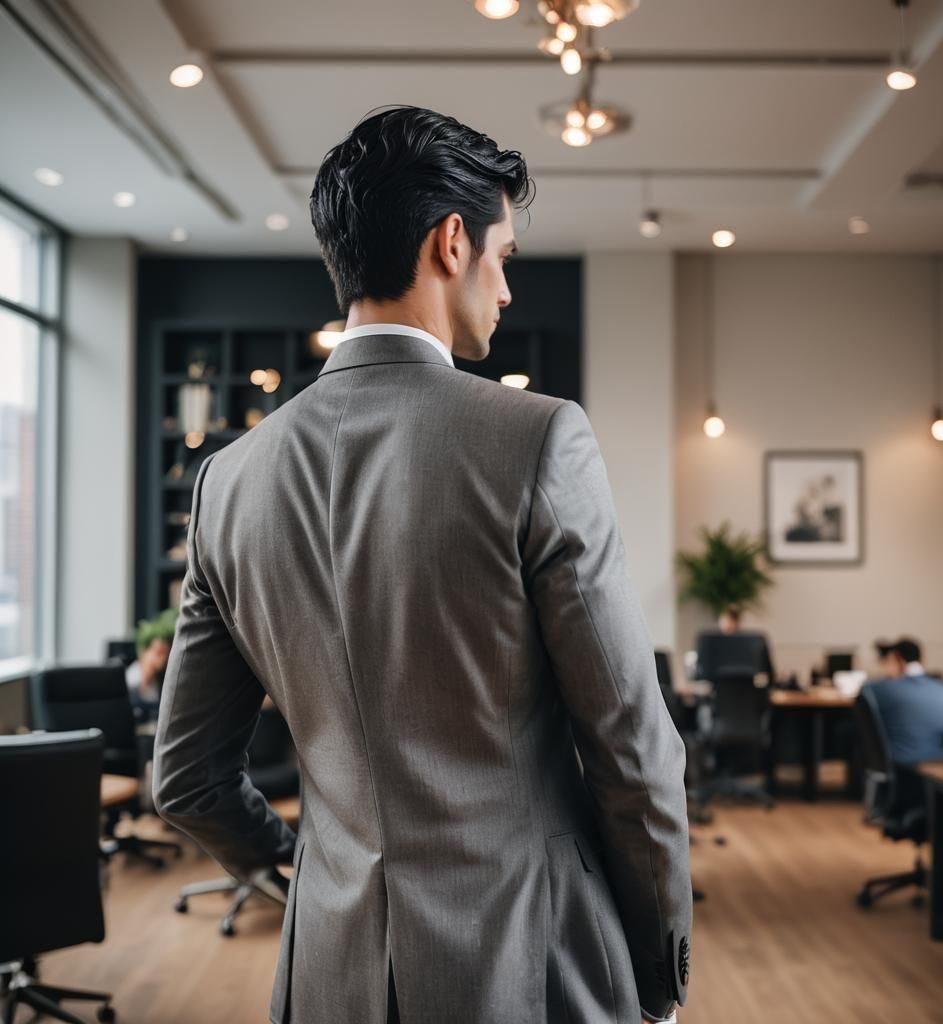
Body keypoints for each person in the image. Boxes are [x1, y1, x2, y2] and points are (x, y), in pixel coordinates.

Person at [152, 106, 691, 1024]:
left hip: (328, 972)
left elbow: (187, 776)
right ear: (452, 242)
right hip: (533, 959)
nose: (508, 289)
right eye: (505, 256)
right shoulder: (537, 439)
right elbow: (633, 751)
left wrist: (314, 869)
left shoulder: (226, 482)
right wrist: (655, 971)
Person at [861, 637, 943, 766]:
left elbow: (863, 692)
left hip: (905, 765)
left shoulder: (883, 689)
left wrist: (888, 676)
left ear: (897, 659)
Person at [125, 609, 176, 719]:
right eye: (158, 652)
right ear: (143, 651)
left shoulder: (159, 681)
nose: (163, 659)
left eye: (166, 654)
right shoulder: (131, 681)